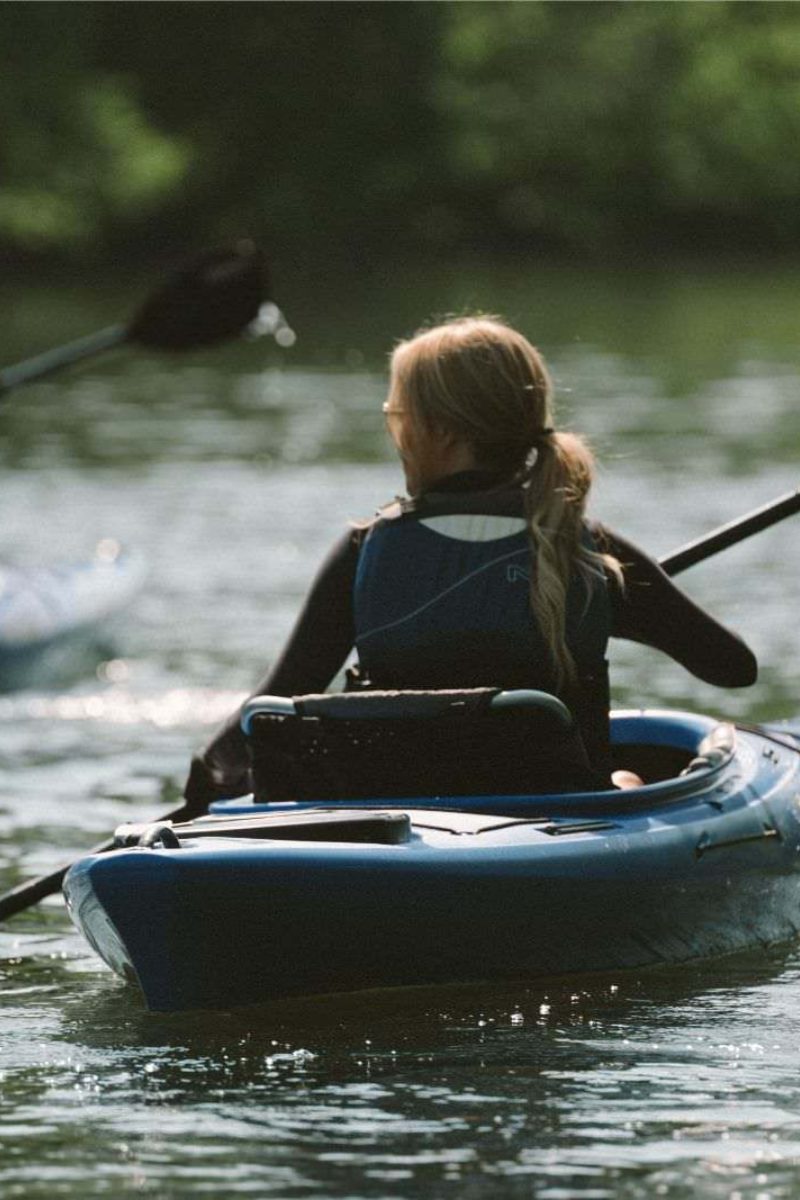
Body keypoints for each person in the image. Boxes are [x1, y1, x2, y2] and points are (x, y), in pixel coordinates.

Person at [183, 315, 756, 805]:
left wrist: (204, 780)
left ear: (442, 433)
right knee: (632, 777)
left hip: (397, 803)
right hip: (556, 804)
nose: (394, 434)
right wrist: (616, 604)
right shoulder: (586, 552)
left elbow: (277, 698)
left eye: (395, 417)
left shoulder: (364, 552)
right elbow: (731, 667)